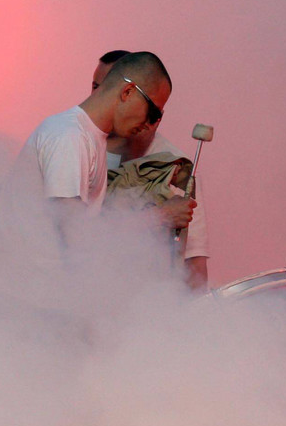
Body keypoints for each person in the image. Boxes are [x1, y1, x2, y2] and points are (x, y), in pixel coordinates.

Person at [16, 51, 172, 244]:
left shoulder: (90, 138)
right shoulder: (70, 136)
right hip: (32, 272)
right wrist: (158, 217)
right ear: (128, 91)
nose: (151, 123)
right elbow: (72, 236)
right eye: (153, 112)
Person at [91, 50, 209, 289]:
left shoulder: (176, 166)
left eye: (108, 89)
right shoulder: (80, 148)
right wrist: (160, 216)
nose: (99, 98)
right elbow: (73, 238)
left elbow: (194, 266)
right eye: (95, 88)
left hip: (149, 308)